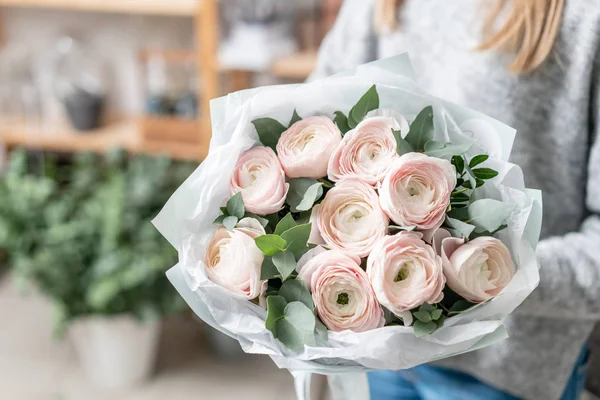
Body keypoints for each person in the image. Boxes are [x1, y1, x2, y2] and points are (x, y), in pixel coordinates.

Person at [310, 0, 600, 399]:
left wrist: (482, 275)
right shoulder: (375, 6)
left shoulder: (584, 15)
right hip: (379, 349)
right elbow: (314, 114)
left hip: (506, 371)